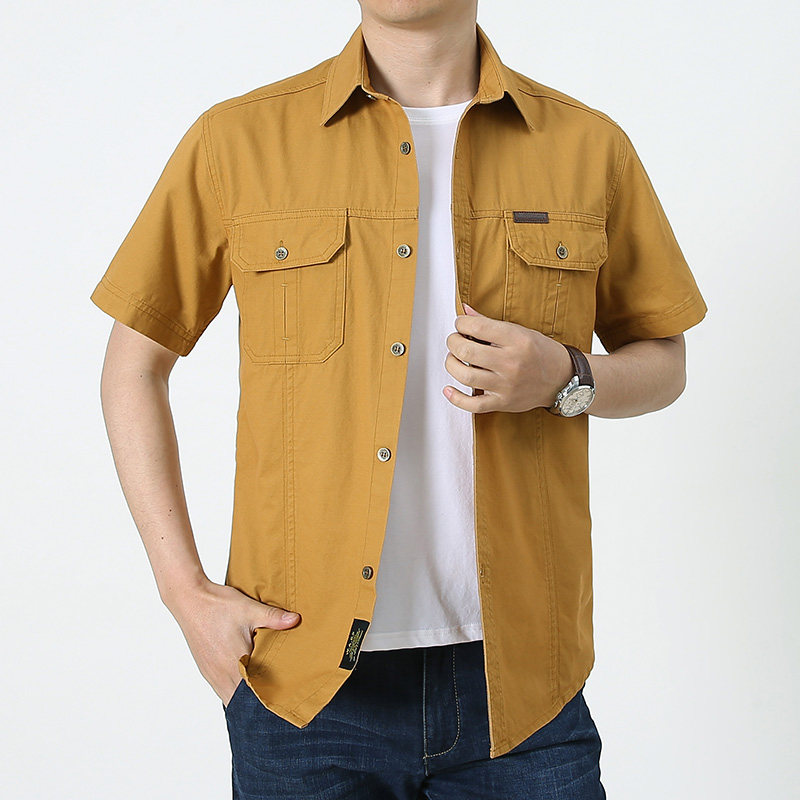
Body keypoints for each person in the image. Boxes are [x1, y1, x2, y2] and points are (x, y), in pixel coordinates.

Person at [90, 1, 707, 797]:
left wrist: (565, 377)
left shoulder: (588, 146)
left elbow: (663, 359)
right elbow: (133, 366)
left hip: (524, 690)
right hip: (302, 684)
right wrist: (185, 594)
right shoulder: (237, 141)